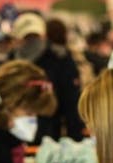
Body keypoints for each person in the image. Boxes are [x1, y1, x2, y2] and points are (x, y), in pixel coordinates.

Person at [8, 12, 84, 142]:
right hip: (18, 139)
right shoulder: (11, 62)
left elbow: (71, 105)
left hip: (47, 138)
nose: (32, 42)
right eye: (27, 38)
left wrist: (76, 141)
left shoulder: (60, 59)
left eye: (35, 36)